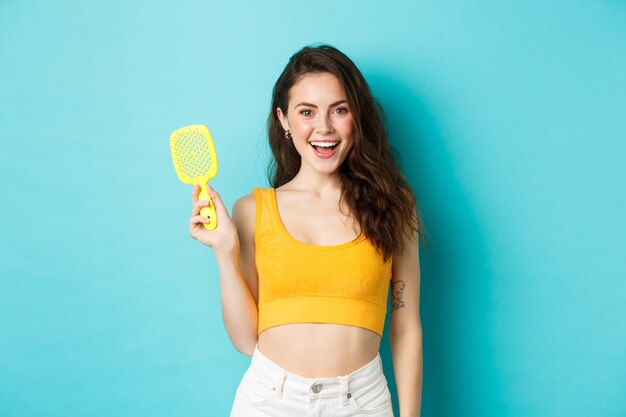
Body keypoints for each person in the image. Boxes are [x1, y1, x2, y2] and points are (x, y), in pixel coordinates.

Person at [188, 44, 426, 417]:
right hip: (268, 401)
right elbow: (247, 340)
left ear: (356, 117)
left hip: (361, 403)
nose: (324, 128)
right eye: (306, 112)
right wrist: (224, 252)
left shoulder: (393, 208)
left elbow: (406, 326)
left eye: (339, 110)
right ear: (283, 120)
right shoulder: (251, 211)